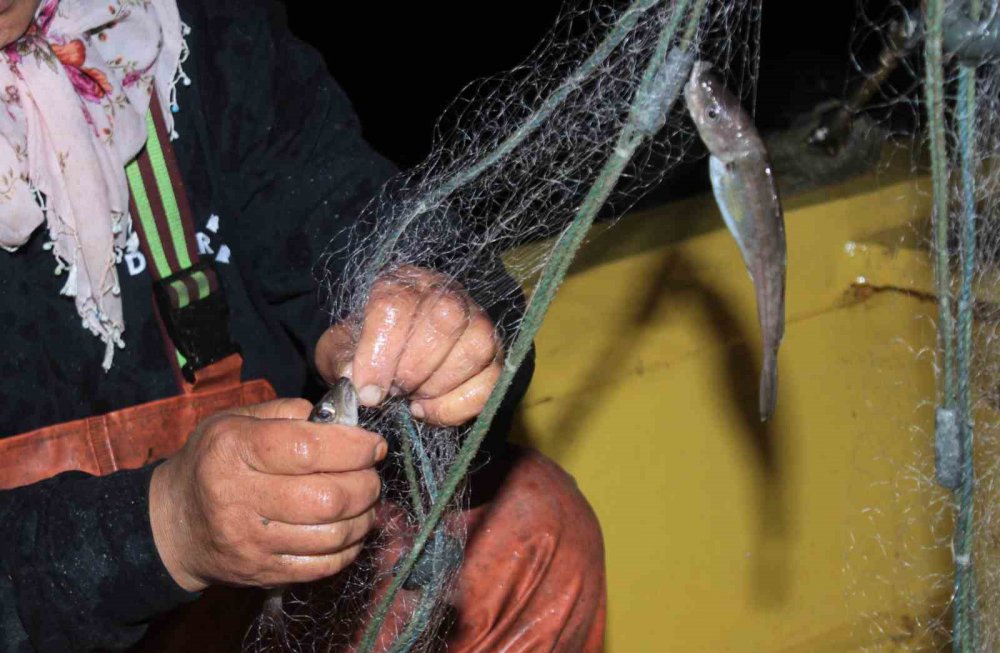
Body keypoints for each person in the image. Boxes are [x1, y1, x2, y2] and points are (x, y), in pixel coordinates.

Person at [0, 0, 606, 651]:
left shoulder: (199, 29)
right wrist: (164, 529)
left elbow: (343, 207)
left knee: (530, 535)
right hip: (55, 600)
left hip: (247, 600)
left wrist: (418, 311)